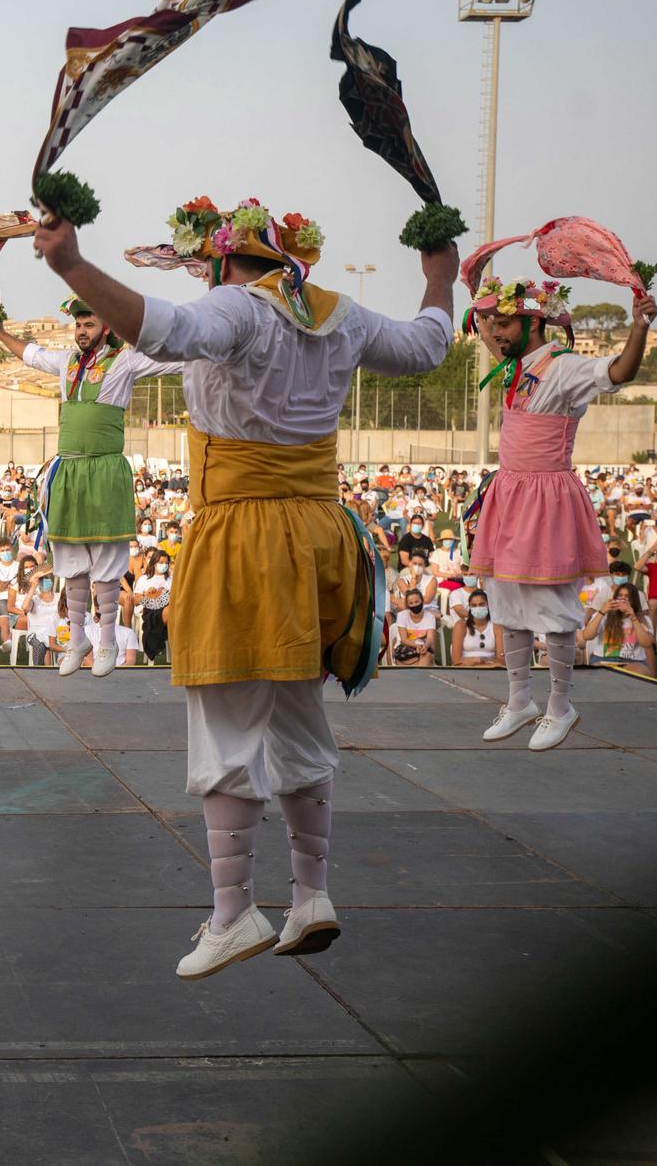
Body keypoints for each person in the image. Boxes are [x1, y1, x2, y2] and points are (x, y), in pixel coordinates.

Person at [37, 194, 454, 978]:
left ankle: (234, 912)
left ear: (226, 261)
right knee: (298, 716)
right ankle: (313, 894)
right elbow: (430, 343)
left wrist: (70, 265)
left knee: (225, 725)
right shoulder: (343, 313)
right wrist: (440, 275)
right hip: (321, 534)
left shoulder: (237, 308)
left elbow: (165, 327)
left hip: (244, 534)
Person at [469, 272, 656, 751]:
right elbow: (487, 331)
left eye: (504, 324)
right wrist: (477, 293)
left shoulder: (564, 366)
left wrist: (639, 328)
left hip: (546, 498)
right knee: (505, 598)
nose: (495, 333)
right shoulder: (515, 363)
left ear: (534, 323)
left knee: (551, 605)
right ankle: (519, 702)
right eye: (493, 324)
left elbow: (620, 373)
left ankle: (559, 706)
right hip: (509, 494)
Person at [0, 303, 178, 677]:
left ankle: (107, 640)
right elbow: (30, 353)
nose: (81, 330)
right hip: (69, 470)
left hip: (105, 471)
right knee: (70, 563)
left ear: (106, 327)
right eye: (78, 324)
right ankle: (78, 639)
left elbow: (175, 358)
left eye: (88, 323)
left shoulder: (126, 361)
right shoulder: (65, 361)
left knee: (106, 564)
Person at [580, 583, 653, 677]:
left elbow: (646, 643)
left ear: (634, 601)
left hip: (633, 661)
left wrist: (633, 618)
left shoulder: (644, 619)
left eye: (628, 597)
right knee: (599, 674)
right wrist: (602, 611)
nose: (623, 599)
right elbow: (587, 636)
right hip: (603, 659)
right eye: (620, 596)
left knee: (636, 673)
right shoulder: (604, 616)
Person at [454, 591, 503, 667]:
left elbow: (501, 661)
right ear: (469, 607)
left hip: (490, 669)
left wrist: (480, 661)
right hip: (466, 669)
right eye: (474, 605)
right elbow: (456, 661)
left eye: (481, 604)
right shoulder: (461, 626)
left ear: (488, 605)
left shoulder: (496, 626)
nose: (478, 608)